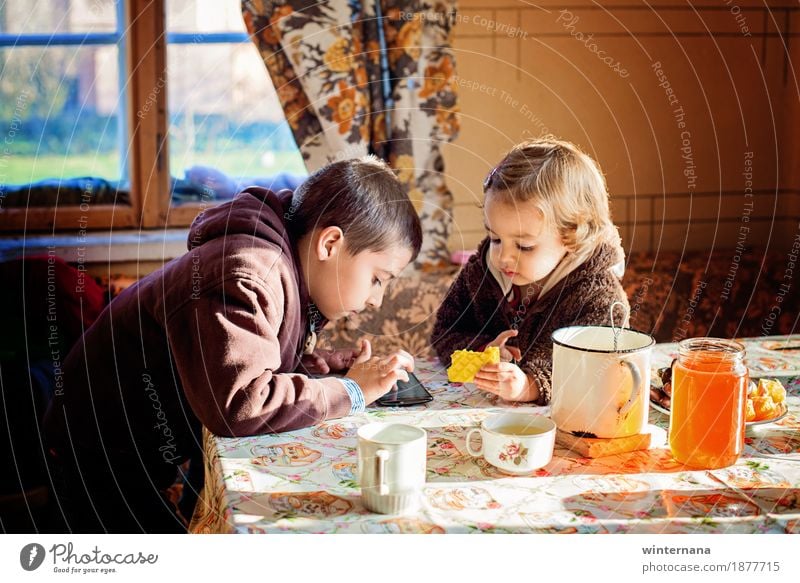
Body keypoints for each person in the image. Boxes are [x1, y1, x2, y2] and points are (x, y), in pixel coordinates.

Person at [43, 156, 421, 533]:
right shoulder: (245, 273)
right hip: (97, 455)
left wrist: (313, 366)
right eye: (378, 278)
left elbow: (243, 357)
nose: (377, 300)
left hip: (139, 453)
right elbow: (241, 404)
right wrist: (351, 391)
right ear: (331, 243)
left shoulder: (281, 263)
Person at [431, 137, 629, 405]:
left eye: (524, 246)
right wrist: (482, 351)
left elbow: (597, 371)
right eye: (495, 238)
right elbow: (445, 330)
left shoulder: (600, 298)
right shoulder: (480, 273)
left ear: (572, 237)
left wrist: (530, 386)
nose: (503, 256)